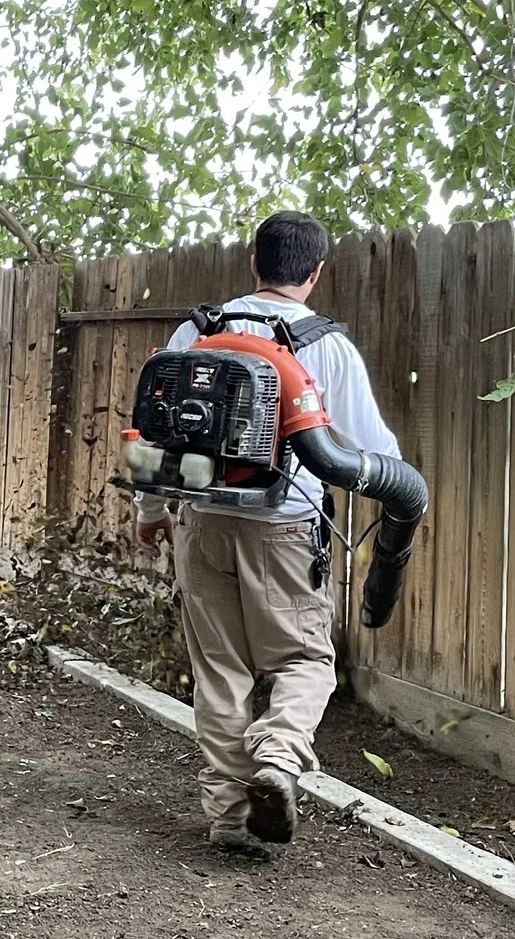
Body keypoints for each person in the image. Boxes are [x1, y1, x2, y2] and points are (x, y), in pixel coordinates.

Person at [133, 211, 403, 854]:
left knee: (220, 670)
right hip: (283, 529)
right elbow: (377, 452)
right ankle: (279, 762)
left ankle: (229, 818)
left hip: (200, 521)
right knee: (304, 660)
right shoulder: (327, 346)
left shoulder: (196, 332)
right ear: (314, 273)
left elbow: (154, 430)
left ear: (254, 263)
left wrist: (150, 513)